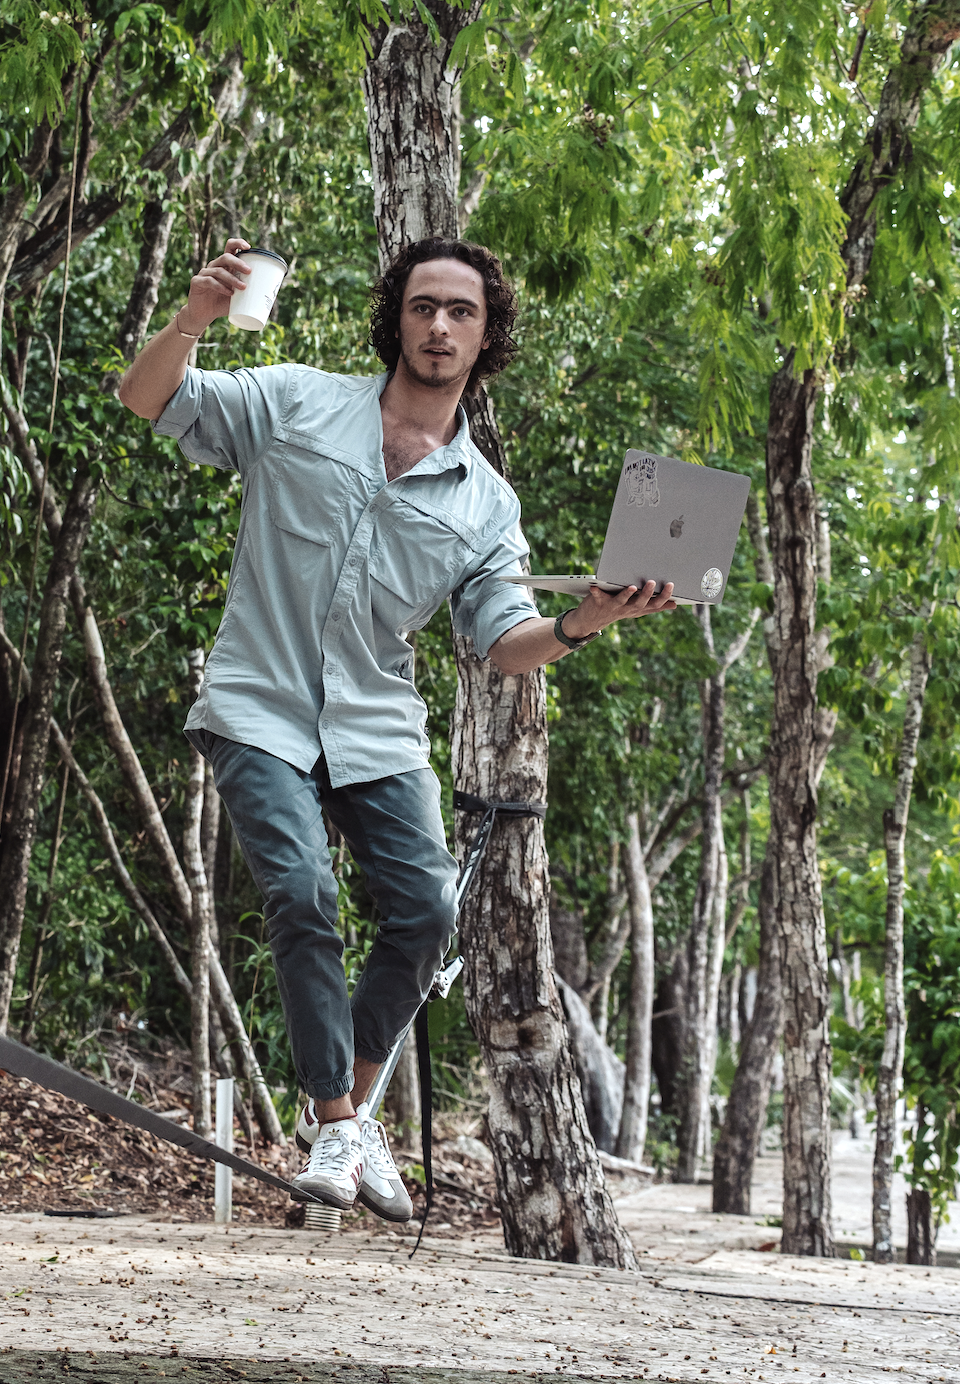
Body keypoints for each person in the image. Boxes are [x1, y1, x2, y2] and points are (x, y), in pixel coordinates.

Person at [118, 235, 677, 1218]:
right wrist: (194, 318)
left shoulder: (485, 503)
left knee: (423, 911)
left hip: (376, 724)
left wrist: (586, 619)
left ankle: (350, 1117)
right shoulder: (294, 401)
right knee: (299, 891)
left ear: (485, 334)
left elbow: (503, 639)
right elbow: (149, 396)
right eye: (423, 306)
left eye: (461, 311)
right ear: (396, 319)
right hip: (259, 703)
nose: (439, 325)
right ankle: (339, 1118)